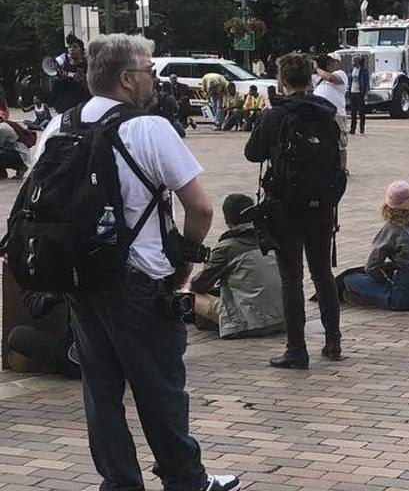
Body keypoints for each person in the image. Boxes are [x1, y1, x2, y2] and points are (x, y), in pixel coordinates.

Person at [33, 34, 239, 491]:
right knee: (159, 387)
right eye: (149, 71)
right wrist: (185, 258)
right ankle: (186, 480)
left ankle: (120, 482)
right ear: (127, 79)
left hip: (82, 278)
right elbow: (201, 208)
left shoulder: (59, 126)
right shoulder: (149, 128)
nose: (154, 79)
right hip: (139, 280)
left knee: (100, 390)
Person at [244, 52, 343, 369]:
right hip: (322, 204)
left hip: (285, 204)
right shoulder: (326, 114)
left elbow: (253, 153)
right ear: (310, 79)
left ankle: (297, 348)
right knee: (322, 273)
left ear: (282, 80)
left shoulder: (276, 115)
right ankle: (333, 340)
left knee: (291, 277)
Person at [189, 194, 285, 340]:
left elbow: (198, 285)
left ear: (227, 219)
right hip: (286, 319)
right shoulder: (271, 238)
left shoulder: (227, 247)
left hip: (251, 323)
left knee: (189, 295)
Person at [341, 181, 409, 311]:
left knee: (350, 279)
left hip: (404, 298)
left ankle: (373, 297)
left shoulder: (392, 228)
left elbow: (372, 267)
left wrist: (386, 280)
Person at [6, 291, 80, 379]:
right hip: (84, 353)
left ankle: (51, 364)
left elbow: (33, 306)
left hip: (83, 359)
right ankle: (51, 364)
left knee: (17, 336)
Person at [313, 53, 350, 172]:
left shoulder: (340, 74)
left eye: (332, 62)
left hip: (337, 113)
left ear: (337, 63)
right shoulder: (320, 77)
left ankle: (342, 167)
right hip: (321, 113)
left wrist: (317, 69)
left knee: (340, 142)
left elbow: (332, 79)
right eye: (327, 62)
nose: (329, 64)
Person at [348, 56, 370, 135]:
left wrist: (365, 94)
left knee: (361, 112)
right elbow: (350, 80)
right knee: (353, 112)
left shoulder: (363, 71)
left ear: (356, 62)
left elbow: (366, 83)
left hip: (360, 92)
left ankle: (362, 129)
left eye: (352, 61)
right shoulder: (352, 70)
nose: (351, 63)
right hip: (352, 91)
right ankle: (352, 129)